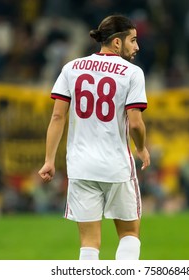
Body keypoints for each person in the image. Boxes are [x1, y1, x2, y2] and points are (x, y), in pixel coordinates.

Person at [38, 15, 150, 260]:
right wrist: (141, 148)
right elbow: (136, 123)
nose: (137, 46)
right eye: (133, 40)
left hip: (80, 167)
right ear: (117, 43)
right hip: (116, 165)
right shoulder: (132, 73)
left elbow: (57, 118)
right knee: (129, 233)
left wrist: (48, 160)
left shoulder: (71, 68)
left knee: (89, 244)